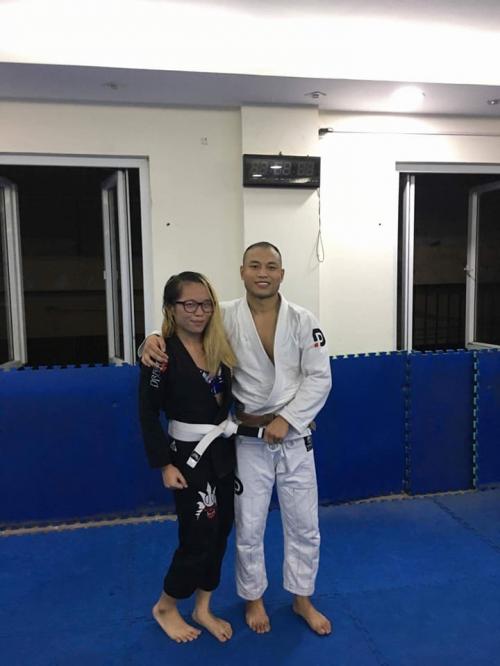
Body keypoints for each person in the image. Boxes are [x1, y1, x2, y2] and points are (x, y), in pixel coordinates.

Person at [141, 243, 332, 636]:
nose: (263, 273)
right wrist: (150, 338)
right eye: (255, 265)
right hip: (247, 438)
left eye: (271, 266)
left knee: (304, 524)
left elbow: (319, 377)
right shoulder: (223, 315)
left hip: (295, 437)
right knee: (248, 525)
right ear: (242, 271)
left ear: (282, 273)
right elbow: (180, 327)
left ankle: (302, 598)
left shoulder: (303, 319)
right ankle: (254, 598)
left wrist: (289, 419)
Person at [138, 271, 238, 644]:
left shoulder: (219, 346)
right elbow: (148, 413)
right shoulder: (161, 355)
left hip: (222, 452)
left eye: (206, 304)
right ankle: (166, 606)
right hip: (186, 457)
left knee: (222, 529)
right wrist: (164, 464)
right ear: (171, 308)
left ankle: (203, 607)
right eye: (190, 304)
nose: (199, 312)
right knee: (197, 535)